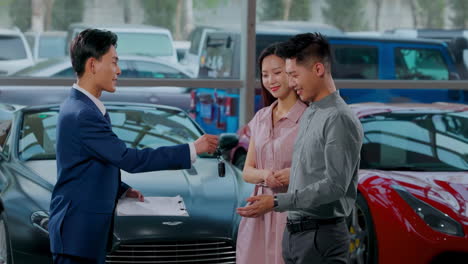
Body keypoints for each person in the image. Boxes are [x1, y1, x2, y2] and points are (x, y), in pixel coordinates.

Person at [49, 29, 218, 264]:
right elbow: (130, 159)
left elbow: (87, 166)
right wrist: (192, 149)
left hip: (80, 232)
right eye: (114, 62)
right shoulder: (83, 114)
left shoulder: (83, 107)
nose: (118, 71)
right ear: (92, 65)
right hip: (78, 235)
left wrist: (121, 189)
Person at [237, 32, 363, 264]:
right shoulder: (313, 113)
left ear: (318, 70)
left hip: (320, 234)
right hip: (296, 232)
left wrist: (276, 202)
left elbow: (335, 185)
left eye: (293, 75)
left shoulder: (338, 117)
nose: (291, 82)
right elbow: (309, 170)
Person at [236, 43, 307, 264]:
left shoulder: (309, 118)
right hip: (259, 213)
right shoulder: (261, 117)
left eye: (277, 73)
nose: (270, 81)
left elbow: (319, 171)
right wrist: (266, 176)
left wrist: (291, 174)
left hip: (291, 212)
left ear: (293, 73)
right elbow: (247, 171)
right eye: (265, 75)